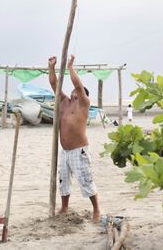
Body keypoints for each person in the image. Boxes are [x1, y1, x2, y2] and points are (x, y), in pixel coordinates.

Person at [48, 54, 101, 222]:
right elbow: (54, 84)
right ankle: (64, 207)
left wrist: (70, 67)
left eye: (77, 92)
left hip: (80, 150)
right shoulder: (64, 102)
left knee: (86, 180)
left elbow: (78, 85)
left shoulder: (83, 104)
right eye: (73, 92)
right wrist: (51, 67)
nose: (74, 93)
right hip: (65, 151)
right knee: (63, 179)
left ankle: (96, 209)